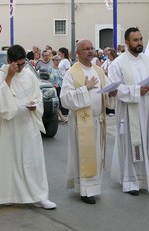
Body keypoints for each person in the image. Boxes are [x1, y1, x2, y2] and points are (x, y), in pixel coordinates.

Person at [0, 44, 56, 210]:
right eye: (16, 64)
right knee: (9, 161)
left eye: (22, 64)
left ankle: (39, 196)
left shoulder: (29, 76)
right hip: (9, 127)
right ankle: (8, 195)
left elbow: (37, 96)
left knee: (33, 161)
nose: (20, 68)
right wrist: (9, 77)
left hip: (28, 125)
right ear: (8, 61)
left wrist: (35, 105)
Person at [108, 27, 149, 196]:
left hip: (148, 110)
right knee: (132, 144)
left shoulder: (148, 60)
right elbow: (116, 87)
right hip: (129, 112)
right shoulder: (117, 63)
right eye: (135, 40)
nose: (139, 43)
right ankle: (131, 181)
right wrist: (138, 91)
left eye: (140, 39)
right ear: (126, 42)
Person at [60, 39, 114, 204]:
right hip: (81, 122)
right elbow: (65, 99)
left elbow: (107, 90)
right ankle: (85, 191)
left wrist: (111, 94)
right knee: (84, 156)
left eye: (92, 48)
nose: (90, 52)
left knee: (96, 156)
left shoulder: (99, 71)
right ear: (77, 53)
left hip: (97, 120)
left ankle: (93, 188)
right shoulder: (72, 73)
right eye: (86, 49)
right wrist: (85, 88)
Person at [48, 54, 68, 123]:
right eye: (56, 60)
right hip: (54, 87)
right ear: (53, 61)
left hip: (60, 86)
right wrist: (52, 84)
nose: (57, 61)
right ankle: (61, 116)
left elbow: (62, 77)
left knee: (60, 101)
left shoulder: (59, 68)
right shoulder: (50, 68)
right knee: (57, 102)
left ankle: (60, 115)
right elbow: (49, 78)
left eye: (59, 60)